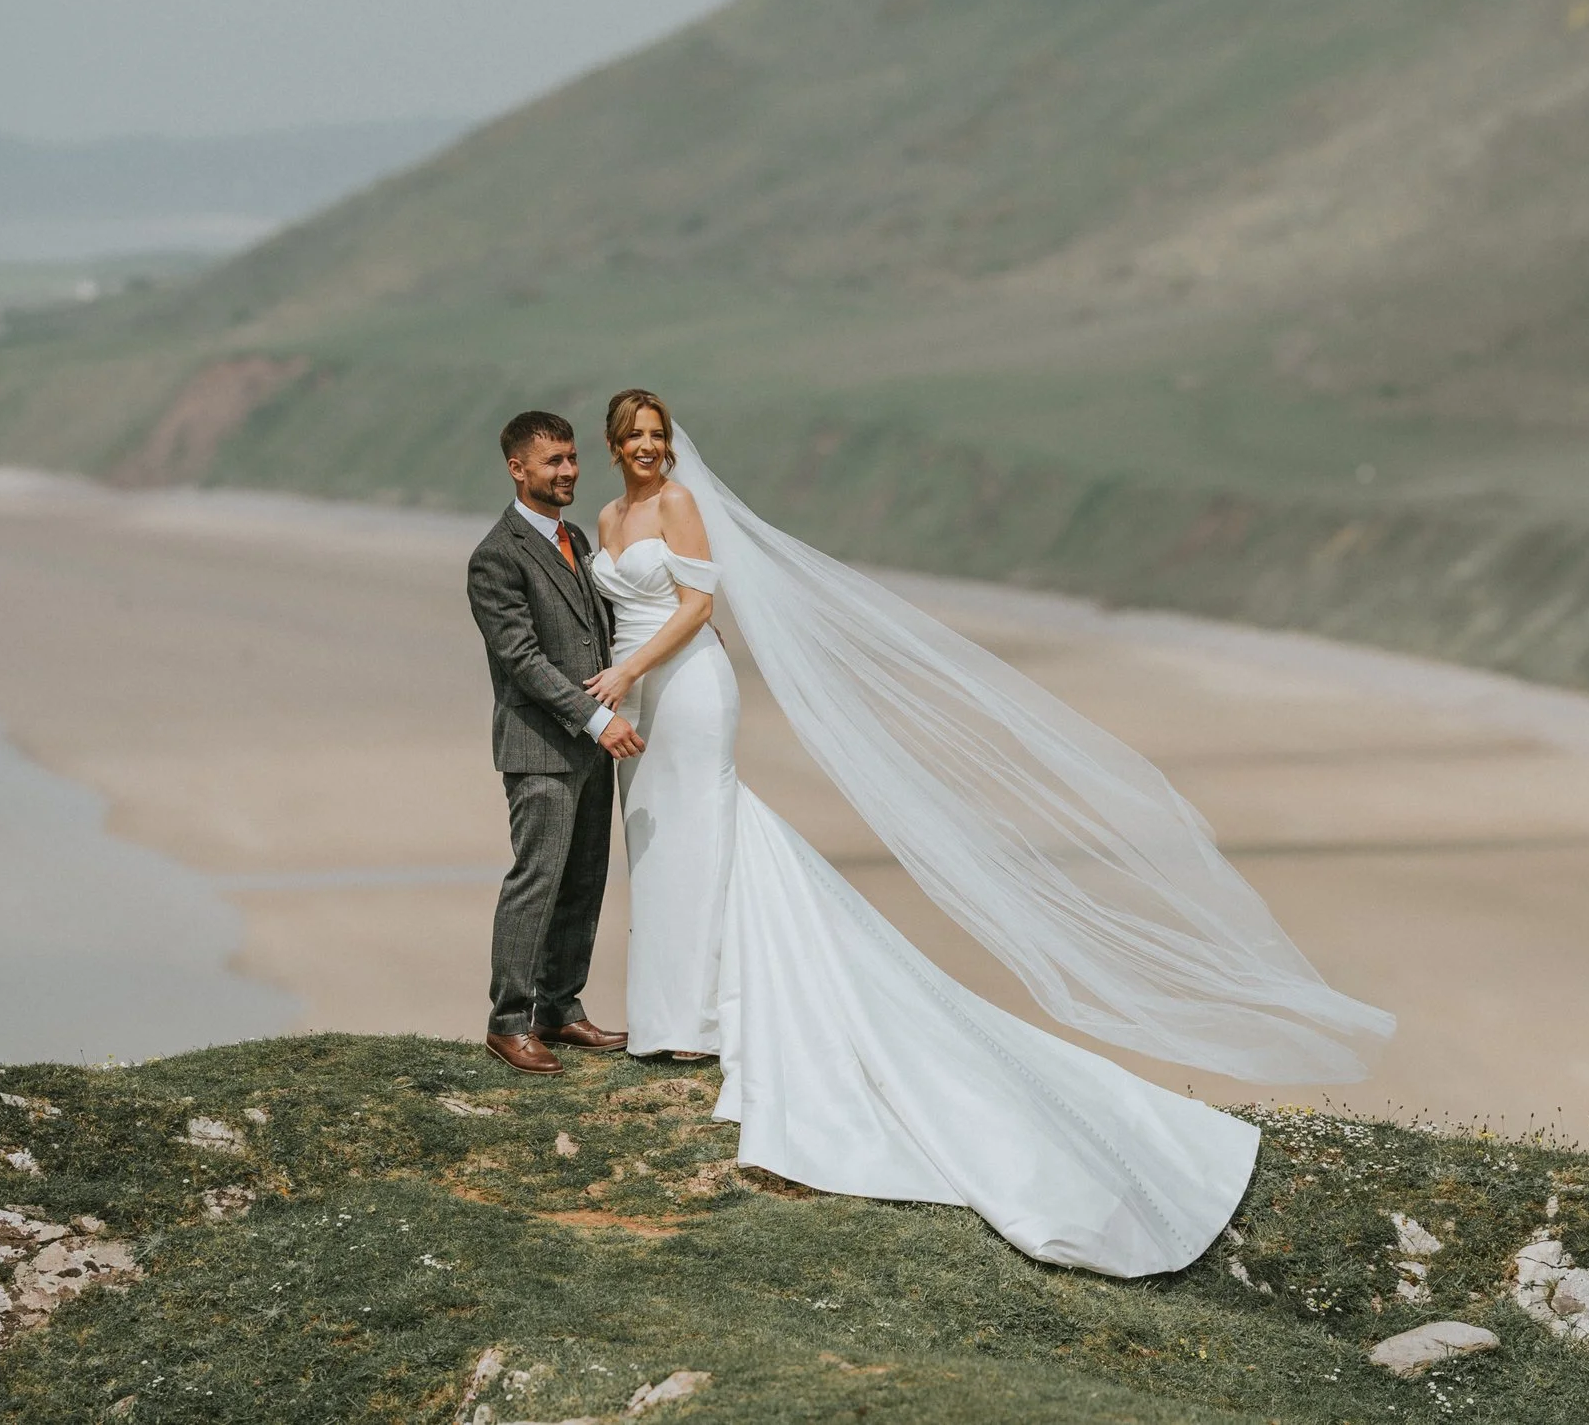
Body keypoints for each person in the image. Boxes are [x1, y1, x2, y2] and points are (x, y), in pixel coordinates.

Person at [571, 388, 1394, 1278]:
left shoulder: (682, 505)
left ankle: (699, 1017)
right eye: (636, 437)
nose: (650, 448)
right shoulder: (609, 515)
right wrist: (618, 678)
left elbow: (696, 607)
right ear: (615, 445)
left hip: (683, 686)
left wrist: (628, 669)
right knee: (660, 845)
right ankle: (667, 1016)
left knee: (703, 834)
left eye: (659, 435)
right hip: (635, 695)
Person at [465, 410, 644, 1076]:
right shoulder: (495, 555)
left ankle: (560, 1009)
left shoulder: (574, 537)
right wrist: (597, 718)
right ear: (518, 468)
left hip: (591, 748)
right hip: (540, 746)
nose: (569, 470)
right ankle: (507, 1023)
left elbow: (603, 626)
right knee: (536, 880)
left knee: (585, 880)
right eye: (554, 461)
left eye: (572, 458)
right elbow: (523, 658)